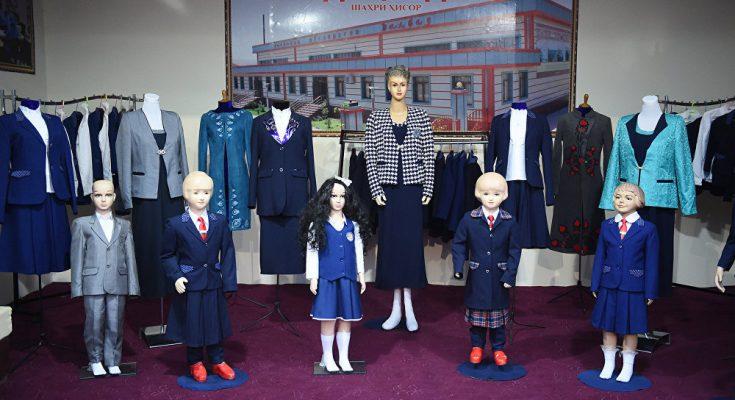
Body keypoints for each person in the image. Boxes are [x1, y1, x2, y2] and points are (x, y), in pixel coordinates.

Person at [364, 65, 434, 331]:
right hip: (388, 191)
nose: (399, 89)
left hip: (413, 190)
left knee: (410, 246)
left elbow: (429, 154)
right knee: (391, 247)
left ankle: (409, 307)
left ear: (408, 85)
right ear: (388, 86)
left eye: (402, 84)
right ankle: (395, 308)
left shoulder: (421, 116)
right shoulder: (376, 118)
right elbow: (370, 156)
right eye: (394, 84)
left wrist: (428, 188)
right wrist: (376, 190)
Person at [160, 171, 237, 383]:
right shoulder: (176, 223)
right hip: (190, 282)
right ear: (186, 194)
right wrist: (176, 276)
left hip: (213, 281)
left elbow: (228, 253)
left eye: (206, 192)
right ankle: (195, 361)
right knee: (193, 323)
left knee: (214, 322)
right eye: (196, 192)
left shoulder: (219, 221)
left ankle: (217, 360)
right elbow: (167, 255)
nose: (201, 197)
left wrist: (229, 282)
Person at [299, 177, 371, 373]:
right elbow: (312, 252)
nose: (338, 200)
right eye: (334, 196)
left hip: (348, 278)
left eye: (342, 196)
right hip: (327, 279)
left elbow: (358, 252)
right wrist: (313, 278)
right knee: (328, 318)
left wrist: (361, 275)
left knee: (346, 319)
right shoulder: (317, 225)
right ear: (326, 197)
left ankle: (344, 357)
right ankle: (328, 357)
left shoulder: (353, 226)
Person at [591, 183, 659, 383]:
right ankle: (609, 364)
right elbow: (600, 256)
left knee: (631, 327)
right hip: (609, 284)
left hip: (633, 286)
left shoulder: (648, 229)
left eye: (628, 197)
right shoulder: (607, 225)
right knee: (608, 326)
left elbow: (652, 262)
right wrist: (595, 283)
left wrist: (650, 291)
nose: (621, 201)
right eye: (618, 196)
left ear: (640, 202)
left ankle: (627, 367)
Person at [70, 180, 139, 376]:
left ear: (114, 197)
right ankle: (95, 359)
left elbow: (130, 257)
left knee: (115, 322)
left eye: (108, 195)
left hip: (118, 280)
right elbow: (77, 257)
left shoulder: (124, 225)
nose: (103, 199)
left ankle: (113, 360)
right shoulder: (82, 224)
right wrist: (77, 287)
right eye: (98, 195)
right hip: (92, 282)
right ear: (92, 197)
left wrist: (133, 285)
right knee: (93, 323)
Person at [452, 172, 520, 366]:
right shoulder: (469, 219)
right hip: (477, 278)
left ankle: (498, 349)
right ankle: (477, 347)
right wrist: (458, 266)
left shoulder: (509, 221)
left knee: (498, 321)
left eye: (496, 194)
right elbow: (459, 243)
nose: (491, 198)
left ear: (505, 195)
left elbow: (515, 250)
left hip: (500, 278)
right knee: (478, 320)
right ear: (477, 194)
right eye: (486, 193)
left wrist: (510, 275)